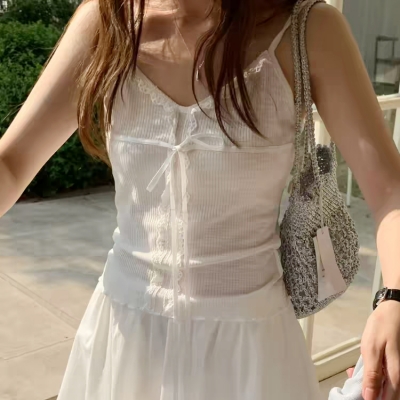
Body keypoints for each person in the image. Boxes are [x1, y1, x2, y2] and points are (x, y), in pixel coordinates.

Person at [1, 0, 400, 398]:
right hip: (123, 341)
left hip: (250, 354)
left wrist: (396, 297)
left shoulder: (308, 28)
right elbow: (12, 162)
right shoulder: (107, 20)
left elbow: (389, 189)